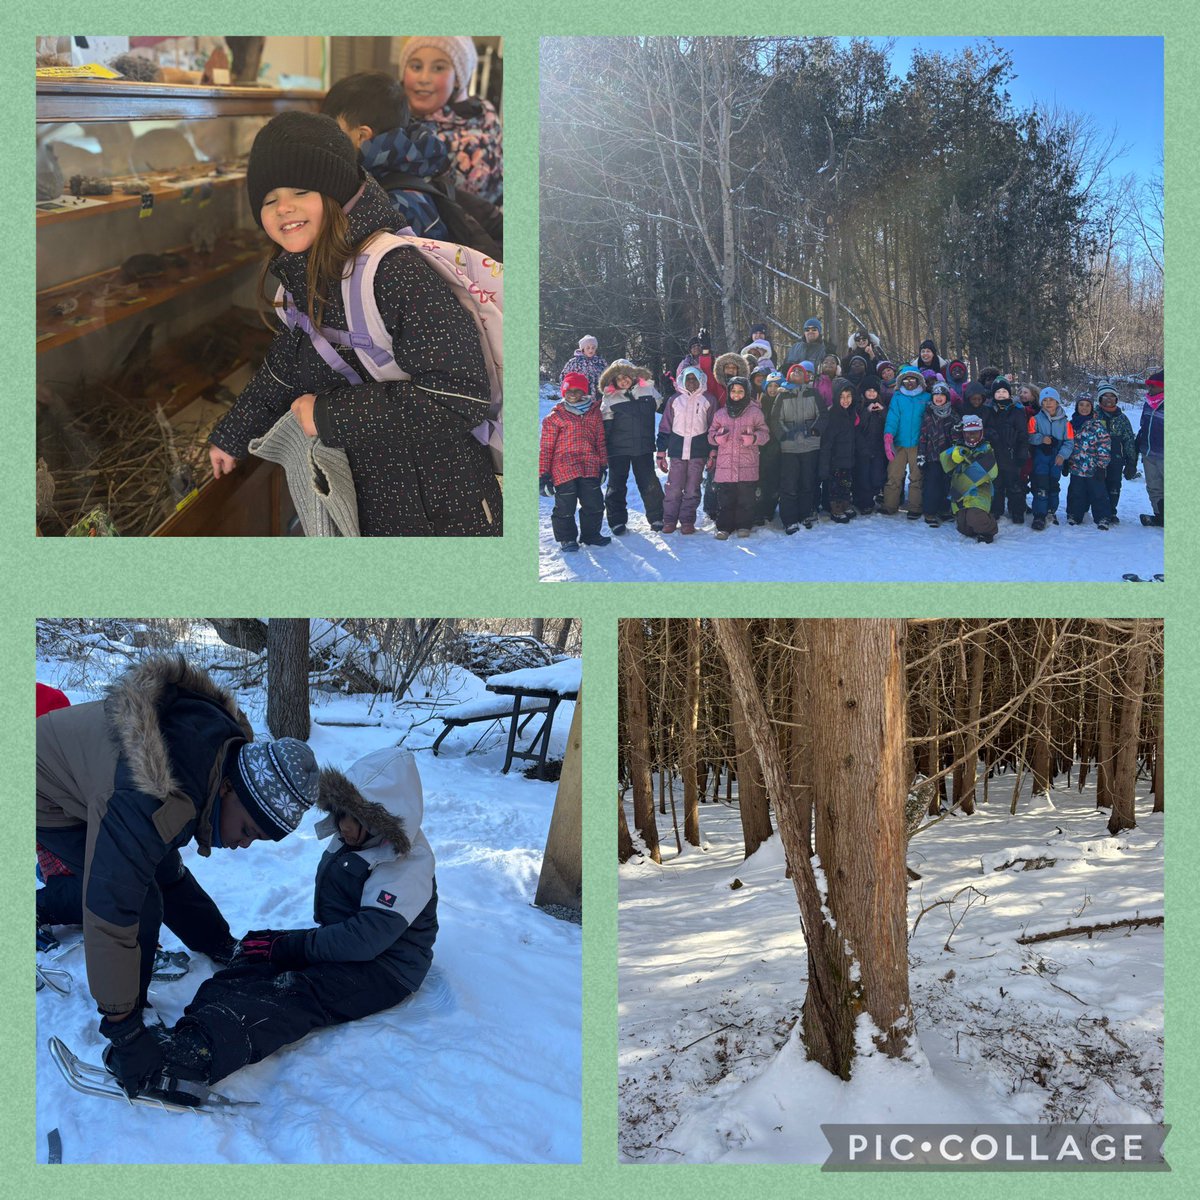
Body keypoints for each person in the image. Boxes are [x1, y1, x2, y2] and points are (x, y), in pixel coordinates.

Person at [35, 654, 320, 1099]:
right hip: (42, 790)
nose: (244, 844)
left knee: (156, 865)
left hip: (94, 781)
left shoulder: (208, 762)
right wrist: (125, 1030)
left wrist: (220, 943)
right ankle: (130, 1010)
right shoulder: (148, 790)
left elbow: (169, 871)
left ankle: (199, 948)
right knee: (138, 897)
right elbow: (114, 910)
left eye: (257, 840)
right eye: (248, 829)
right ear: (228, 788)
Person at [207, 112, 501, 537]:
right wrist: (234, 433)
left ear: (338, 193)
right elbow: (286, 365)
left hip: (444, 505)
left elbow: (458, 395)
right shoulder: (303, 277)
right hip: (373, 494)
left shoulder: (394, 271)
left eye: (301, 190)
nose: (283, 207)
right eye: (269, 199)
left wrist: (328, 416)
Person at [155, 746, 438, 1089]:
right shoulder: (355, 839)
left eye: (356, 819)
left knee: (296, 993)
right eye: (340, 813)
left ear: (383, 820)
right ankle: (195, 1025)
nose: (344, 827)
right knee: (256, 957)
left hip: (388, 969)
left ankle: (201, 1051)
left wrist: (293, 945)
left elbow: (364, 939)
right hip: (348, 945)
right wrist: (280, 946)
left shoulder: (409, 864)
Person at [320, 70, 502, 257]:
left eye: (334, 130)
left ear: (361, 136)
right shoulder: (411, 168)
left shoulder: (395, 203)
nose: (326, 140)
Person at [398, 37, 502, 207]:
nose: (423, 78)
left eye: (438, 68)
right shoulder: (389, 119)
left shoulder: (477, 131)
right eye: (416, 67)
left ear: (458, 79)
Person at [539, 372, 609, 553]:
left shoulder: (594, 413)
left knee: (594, 503)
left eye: (578, 391)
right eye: (569, 390)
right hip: (563, 468)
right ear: (563, 391)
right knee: (565, 506)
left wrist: (603, 465)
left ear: (584, 392)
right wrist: (543, 475)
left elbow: (600, 440)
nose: (572, 394)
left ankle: (591, 535)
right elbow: (546, 448)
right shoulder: (555, 417)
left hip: (589, 466)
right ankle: (567, 538)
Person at [599, 360, 664, 534]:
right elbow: (605, 424)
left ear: (633, 375)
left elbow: (661, 405)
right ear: (613, 380)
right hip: (617, 449)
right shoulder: (610, 397)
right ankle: (617, 520)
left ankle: (658, 516)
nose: (623, 381)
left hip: (643, 446)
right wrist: (603, 448)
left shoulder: (647, 389)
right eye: (619, 378)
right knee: (616, 485)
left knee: (649, 482)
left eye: (626, 376)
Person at [708, 376, 769, 539]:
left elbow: (765, 434)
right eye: (733, 391)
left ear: (747, 392)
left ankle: (744, 525)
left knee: (746, 499)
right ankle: (724, 527)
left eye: (740, 391)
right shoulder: (720, 414)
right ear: (728, 392)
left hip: (747, 464)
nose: (736, 394)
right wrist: (716, 438)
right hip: (726, 466)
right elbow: (710, 433)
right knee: (725, 499)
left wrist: (754, 438)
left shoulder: (755, 412)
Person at [657, 365, 714, 534]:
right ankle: (669, 520)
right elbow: (665, 426)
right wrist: (661, 452)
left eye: (694, 379)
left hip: (698, 451)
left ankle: (687, 521)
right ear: (682, 380)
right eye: (688, 379)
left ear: (700, 380)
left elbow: (713, 427)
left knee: (692, 488)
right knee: (674, 487)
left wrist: (713, 451)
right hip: (677, 449)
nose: (691, 382)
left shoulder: (708, 400)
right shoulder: (675, 400)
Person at [772, 367, 823, 533]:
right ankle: (789, 519)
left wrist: (814, 431)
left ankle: (805, 514)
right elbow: (775, 419)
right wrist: (786, 435)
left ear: (806, 376)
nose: (796, 373)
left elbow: (822, 414)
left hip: (810, 446)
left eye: (800, 371)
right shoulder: (782, 395)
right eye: (793, 371)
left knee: (807, 482)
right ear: (788, 376)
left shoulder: (813, 393)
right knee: (789, 484)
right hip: (789, 448)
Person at [940, 414, 999, 543]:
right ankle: (978, 522)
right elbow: (945, 463)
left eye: (975, 433)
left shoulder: (986, 449)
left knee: (975, 517)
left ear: (981, 433)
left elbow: (991, 471)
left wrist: (969, 458)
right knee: (964, 528)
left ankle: (989, 530)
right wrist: (954, 455)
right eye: (968, 434)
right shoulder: (959, 447)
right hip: (961, 498)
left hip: (978, 493)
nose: (972, 437)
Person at [881, 364, 930, 518]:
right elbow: (892, 418)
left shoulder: (926, 398)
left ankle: (915, 507)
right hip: (899, 443)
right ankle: (890, 505)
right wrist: (889, 436)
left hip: (918, 444)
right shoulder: (897, 397)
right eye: (906, 380)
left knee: (916, 477)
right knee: (894, 475)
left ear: (918, 380)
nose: (909, 382)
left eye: (913, 379)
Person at [1027, 387, 1074, 531]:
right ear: (1041, 403)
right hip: (1041, 458)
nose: (1048, 403)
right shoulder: (1035, 419)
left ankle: (1051, 511)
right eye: (1045, 400)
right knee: (1041, 486)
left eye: (1051, 400)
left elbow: (1069, 442)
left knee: (1053, 485)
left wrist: (1062, 455)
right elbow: (1029, 436)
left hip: (1056, 460)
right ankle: (1039, 515)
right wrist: (1041, 439)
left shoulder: (1066, 423)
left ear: (1057, 402)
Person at [1065, 393, 1112, 530]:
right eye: (1081, 405)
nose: (1084, 408)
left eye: (1087, 405)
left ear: (1092, 407)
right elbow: (1067, 443)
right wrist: (1065, 461)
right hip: (1076, 466)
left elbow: (1104, 445)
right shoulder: (1071, 425)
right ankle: (1074, 515)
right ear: (1076, 406)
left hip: (1093, 468)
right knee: (1076, 492)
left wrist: (1102, 466)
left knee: (1098, 493)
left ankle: (1103, 517)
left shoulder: (1097, 425)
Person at [1094, 379, 1138, 523]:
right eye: (1105, 396)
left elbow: (1129, 441)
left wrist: (1131, 462)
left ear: (1116, 399)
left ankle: (1111, 511)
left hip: (1116, 458)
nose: (1109, 399)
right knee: (1098, 485)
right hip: (1096, 458)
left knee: (1114, 485)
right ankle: (1100, 512)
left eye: (1112, 396)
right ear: (1100, 398)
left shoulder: (1122, 418)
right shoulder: (1094, 415)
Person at [987, 376, 1029, 524]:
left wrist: (1022, 452)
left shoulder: (1017, 410)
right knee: (996, 484)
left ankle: (1017, 511)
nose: (1001, 394)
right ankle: (996, 509)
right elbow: (984, 427)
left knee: (1014, 485)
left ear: (1009, 394)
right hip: (994, 453)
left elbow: (1023, 434)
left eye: (1004, 391)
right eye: (998, 392)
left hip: (1012, 453)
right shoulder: (989, 409)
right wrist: (989, 434)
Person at [818, 378, 859, 524]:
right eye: (842, 397)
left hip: (847, 457)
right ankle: (835, 507)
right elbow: (827, 443)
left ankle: (845, 503)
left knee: (846, 483)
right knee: (834, 486)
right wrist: (825, 464)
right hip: (835, 460)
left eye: (848, 396)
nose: (845, 400)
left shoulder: (851, 413)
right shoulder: (833, 415)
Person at [917, 382, 957, 527]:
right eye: (936, 395)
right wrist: (921, 454)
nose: (939, 398)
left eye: (942, 395)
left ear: (947, 397)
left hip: (948, 457)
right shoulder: (928, 414)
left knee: (947, 484)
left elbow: (956, 436)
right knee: (932, 485)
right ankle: (930, 512)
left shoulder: (953, 415)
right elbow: (923, 436)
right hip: (932, 456)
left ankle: (944, 510)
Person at [853, 374, 888, 514]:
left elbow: (888, 424)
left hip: (878, 448)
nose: (872, 393)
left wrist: (882, 412)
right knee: (863, 477)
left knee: (877, 476)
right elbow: (858, 426)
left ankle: (873, 496)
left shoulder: (882, 407)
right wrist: (867, 411)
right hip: (863, 449)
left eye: (874, 391)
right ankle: (865, 503)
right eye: (869, 390)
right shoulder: (859, 407)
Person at [1136, 368, 1164, 526]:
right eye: (1149, 385)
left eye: (1153, 385)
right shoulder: (1148, 403)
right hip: (1148, 453)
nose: (1150, 388)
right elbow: (1143, 424)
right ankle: (1160, 515)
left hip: (1166, 455)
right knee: (1153, 487)